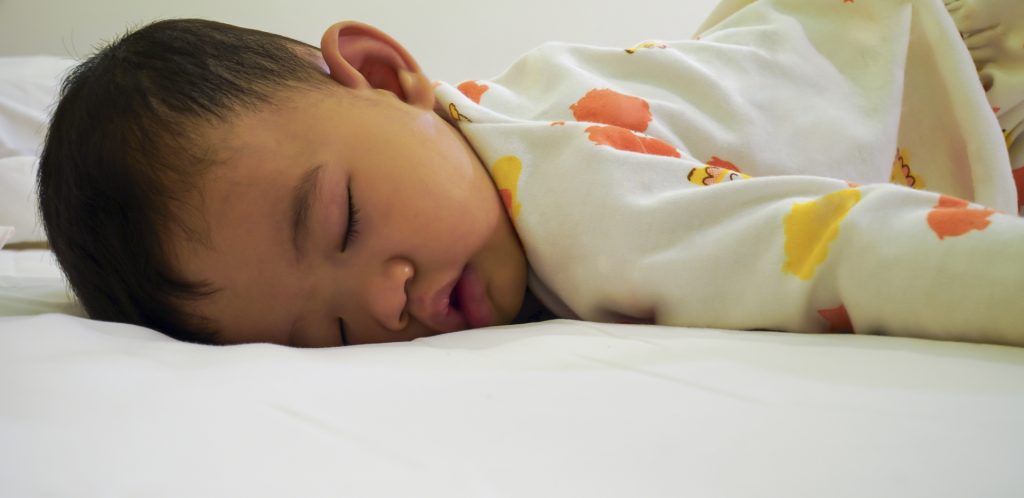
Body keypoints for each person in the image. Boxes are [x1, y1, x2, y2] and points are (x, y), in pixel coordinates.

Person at [37, 0, 1024, 347]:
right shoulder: (464, 135)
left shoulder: (584, 207)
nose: (385, 304)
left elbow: (852, 249)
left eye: (341, 222)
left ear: (385, 75)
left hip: (955, 70)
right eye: (326, 331)